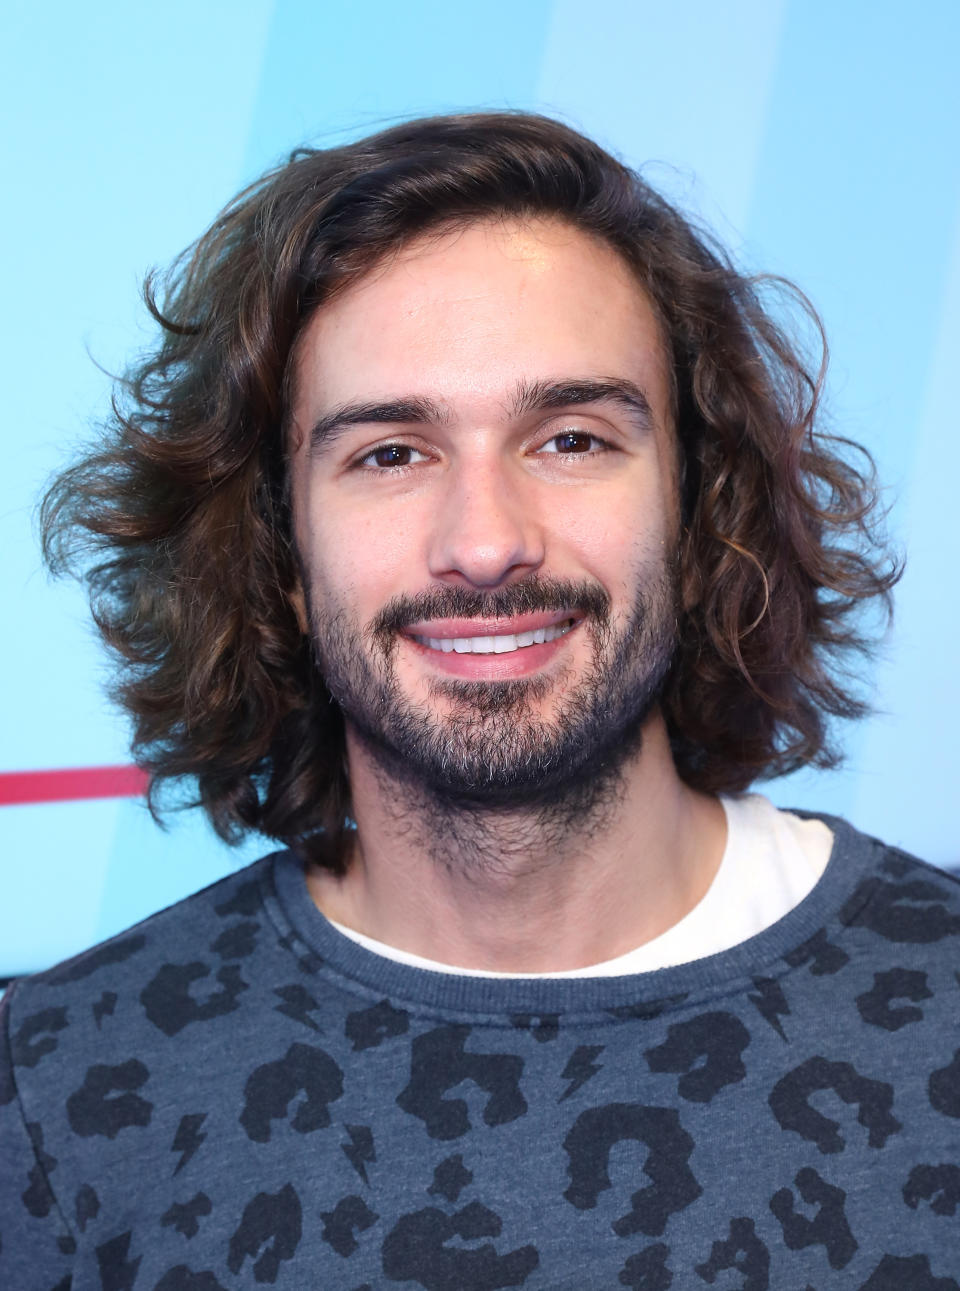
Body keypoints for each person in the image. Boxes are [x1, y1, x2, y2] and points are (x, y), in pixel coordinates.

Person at [2, 112, 958, 1290]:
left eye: (569, 438)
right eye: (391, 454)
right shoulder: (54, 1090)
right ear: (278, 556)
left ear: (701, 510)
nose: (487, 542)